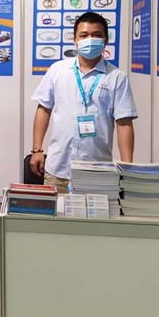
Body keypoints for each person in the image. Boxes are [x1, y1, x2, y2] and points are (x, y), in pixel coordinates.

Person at [30, 12, 137, 194]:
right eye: (84, 35)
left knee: (97, 213)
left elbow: (124, 123)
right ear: (75, 40)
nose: (90, 40)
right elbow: (43, 109)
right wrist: (36, 150)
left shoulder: (117, 77)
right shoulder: (58, 70)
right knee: (56, 211)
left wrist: (127, 167)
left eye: (96, 35)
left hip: (98, 170)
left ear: (105, 40)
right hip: (58, 168)